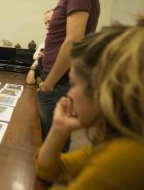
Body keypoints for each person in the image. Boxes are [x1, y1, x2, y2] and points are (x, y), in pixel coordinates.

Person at [36, 24, 144, 189]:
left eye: (73, 84)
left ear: (103, 90)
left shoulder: (126, 155)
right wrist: (59, 128)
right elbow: (47, 171)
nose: (69, 94)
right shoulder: (111, 141)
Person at [37, 0, 100, 151]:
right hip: (56, 78)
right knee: (47, 137)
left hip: (59, 80)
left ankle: (51, 179)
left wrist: (49, 83)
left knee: (54, 139)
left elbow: (73, 40)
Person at [27, 9, 53, 85]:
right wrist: (36, 61)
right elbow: (30, 81)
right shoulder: (43, 47)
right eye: (46, 23)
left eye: (50, 22)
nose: (47, 27)